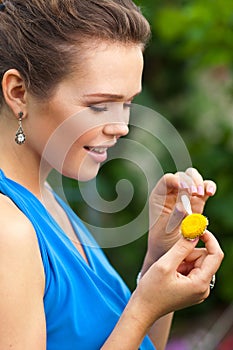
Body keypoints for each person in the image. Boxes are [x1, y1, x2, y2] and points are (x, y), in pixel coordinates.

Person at [0, 0, 224, 349]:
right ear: (18, 93)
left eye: (128, 102)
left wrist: (160, 261)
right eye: (99, 105)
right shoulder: (8, 231)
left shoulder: (48, 201)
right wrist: (143, 307)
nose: (121, 126)